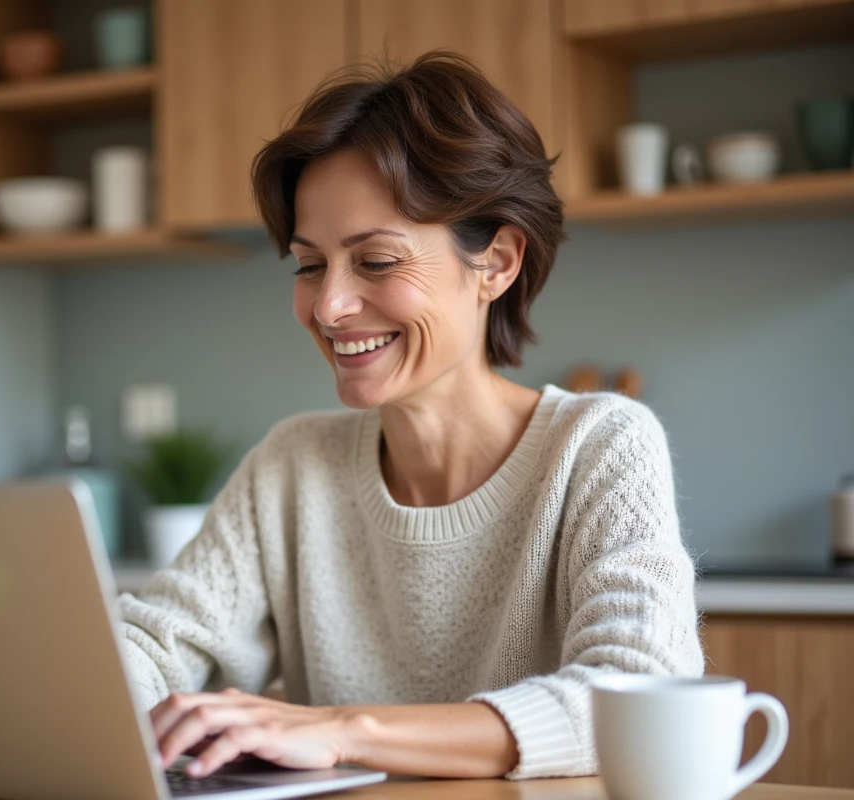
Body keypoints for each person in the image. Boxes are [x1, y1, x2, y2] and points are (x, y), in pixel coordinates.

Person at [117, 51, 703, 781]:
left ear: (496, 263)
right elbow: (151, 645)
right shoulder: (293, 465)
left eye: (377, 261)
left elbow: (632, 700)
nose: (328, 306)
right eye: (308, 264)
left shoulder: (600, 447)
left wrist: (341, 731)